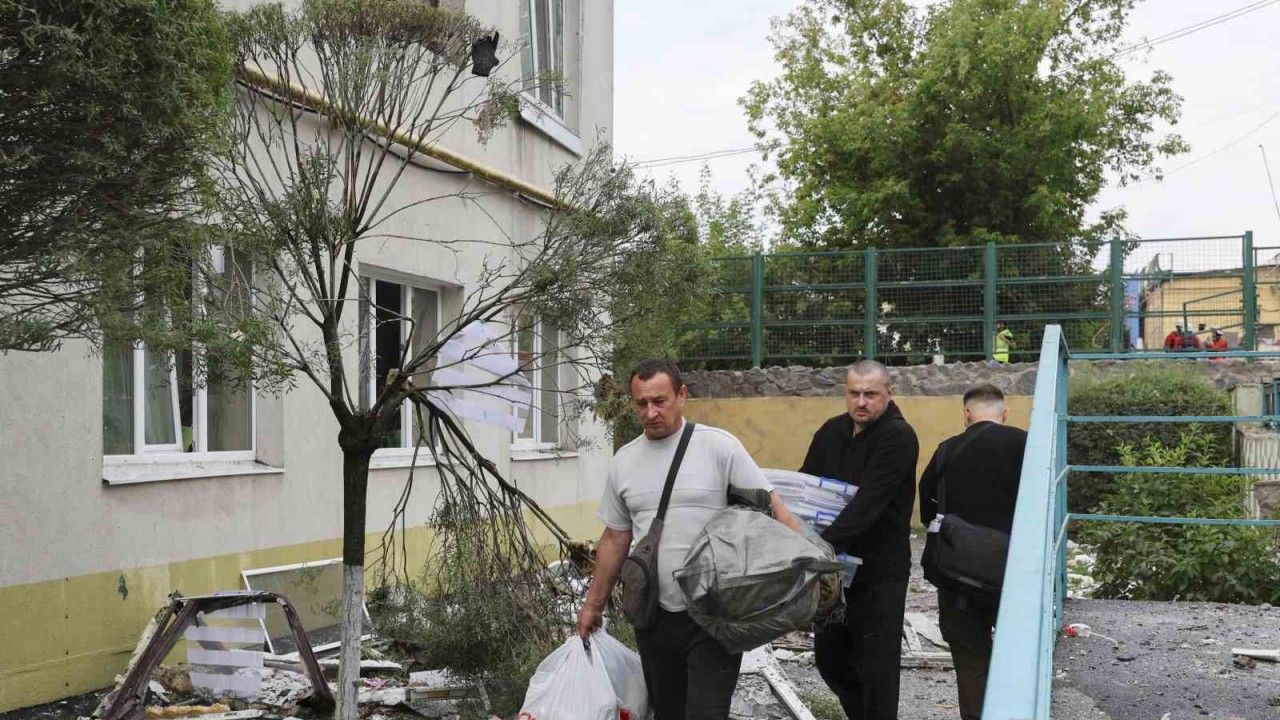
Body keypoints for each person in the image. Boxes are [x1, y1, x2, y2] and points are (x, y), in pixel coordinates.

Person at [576, 359, 800, 720]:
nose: (650, 413)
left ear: (682, 395)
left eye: (659, 401)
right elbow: (616, 536)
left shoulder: (719, 448)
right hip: (654, 616)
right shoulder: (624, 461)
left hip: (715, 613)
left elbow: (774, 512)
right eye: (641, 404)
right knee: (668, 711)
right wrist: (593, 605)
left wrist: (807, 575)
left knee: (706, 713)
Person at [799, 360, 919, 720]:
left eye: (870, 394)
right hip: (833, 572)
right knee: (831, 661)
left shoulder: (898, 437)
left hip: (879, 574)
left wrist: (814, 548)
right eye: (854, 393)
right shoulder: (831, 431)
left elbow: (869, 506)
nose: (861, 402)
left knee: (877, 670)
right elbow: (805, 483)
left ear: (889, 393)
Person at [918, 384, 1027, 720]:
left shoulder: (946, 450)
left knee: (970, 659)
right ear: (1004, 413)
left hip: (957, 575)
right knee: (1018, 654)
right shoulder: (1026, 445)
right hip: (1013, 571)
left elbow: (927, 510)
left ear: (966, 413)